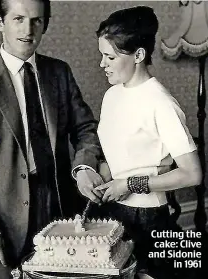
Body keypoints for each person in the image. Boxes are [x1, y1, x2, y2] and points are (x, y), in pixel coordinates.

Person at [0, 0, 104, 278]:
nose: (28, 29)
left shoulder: (60, 73)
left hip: (60, 205)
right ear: (0, 23)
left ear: (45, 24)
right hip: (4, 219)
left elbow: (86, 128)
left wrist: (83, 167)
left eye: (37, 20)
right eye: (18, 19)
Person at [93, 6, 202, 279]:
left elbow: (192, 173)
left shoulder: (161, 103)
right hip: (112, 213)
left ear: (139, 55)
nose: (102, 64)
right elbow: (116, 156)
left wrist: (130, 184)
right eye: (101, 56)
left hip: (148, 218)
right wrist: (100, 179)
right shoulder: (112, 95)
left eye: (109, 57)